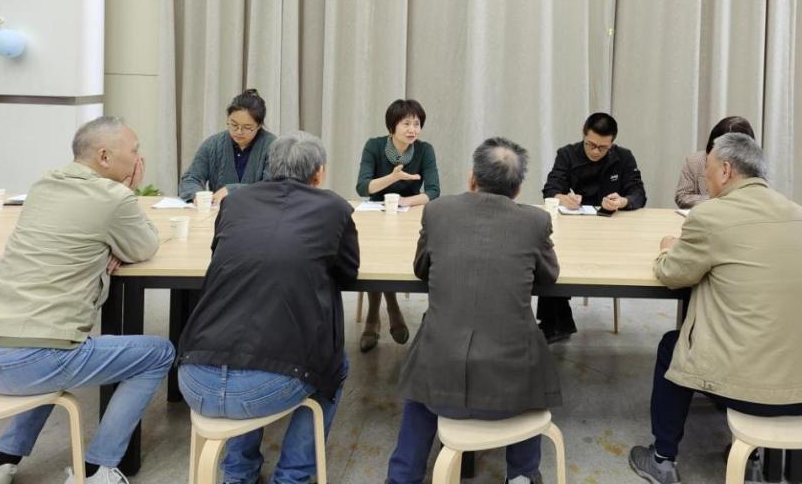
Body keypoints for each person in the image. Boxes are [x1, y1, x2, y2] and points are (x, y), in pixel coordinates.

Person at [627, 133, 802, 484]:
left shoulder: (711, 215)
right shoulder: (801, 215)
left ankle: (662, 458)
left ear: (725, 170)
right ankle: (752, 455)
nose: (705, 179)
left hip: (752, 391)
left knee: (672, 346)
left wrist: (666, 248)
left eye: (707, 170)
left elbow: (673, 274)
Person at [0, 117, 174, 484]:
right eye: (134, 151)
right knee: (159, 353)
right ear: (105, 157)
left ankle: (3, 459)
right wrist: (125, 203)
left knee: (53, 348)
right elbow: (144, 246)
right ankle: (96, 469)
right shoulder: (113, 197)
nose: (139, 159)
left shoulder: (43, 185)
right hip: (38, 359)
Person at [176, 131, 359, 484]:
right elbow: (347, 273)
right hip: (263, 390)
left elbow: (221, 255)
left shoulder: (235, 202)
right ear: (319, 173)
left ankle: (237, 473)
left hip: (194, 379)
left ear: (269, 168)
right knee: (336, 363)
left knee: (245, 343)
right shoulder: (334, 208)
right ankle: (292, 477)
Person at [386, 137, 560, 484]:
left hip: (439, 386)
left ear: (472, 178)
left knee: (424, 377)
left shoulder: (437, 211)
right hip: (511, 392)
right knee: (530, 356)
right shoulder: (535, 221)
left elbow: (421, 268)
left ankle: (402, 477)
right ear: (518, 189)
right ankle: (522, 475)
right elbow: (549, 275)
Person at [538, 112, 646, 342]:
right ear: (583, 135)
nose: (596, 151)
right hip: (574, 229)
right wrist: (563, 198)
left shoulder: (624, 157)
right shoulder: (567, 154)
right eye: (591, 144)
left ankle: (557, 323)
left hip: (612, 232)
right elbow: (550, 189)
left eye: (603, 147)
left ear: (612, 143)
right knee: (551, 254)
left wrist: (622, 201)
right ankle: (555, 323)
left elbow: (638, 193)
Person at [355, 99, 440, 353]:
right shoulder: (374, 146)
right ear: (392, 126)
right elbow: (363, 187)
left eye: (417, 124)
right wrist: (392, 177)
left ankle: (376, 316)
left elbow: (433, 192)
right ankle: (385, 310)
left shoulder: (424, 150)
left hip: (409, 215)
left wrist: (405, 201)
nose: (413, 129)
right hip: (375, 214)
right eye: (406, 123)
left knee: (395, 253)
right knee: (374, 255)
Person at [178, 88, 277, 204]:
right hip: (219, 212)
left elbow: (273, 188)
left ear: (259, 125)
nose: (239, 131)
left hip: (259, 212)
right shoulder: (212, 145)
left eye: (247, 127)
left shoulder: (274, 147)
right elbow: (190, 179)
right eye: (234, 125)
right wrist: (197, 196)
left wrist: (232, 190)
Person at [674, 115, 755, 209]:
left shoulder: (754, 167)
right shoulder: (694, 162)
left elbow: (755, 200)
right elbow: (682, 196)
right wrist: (718, 201)